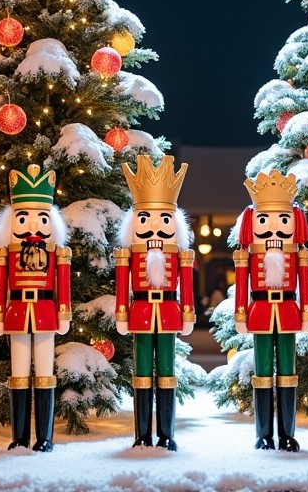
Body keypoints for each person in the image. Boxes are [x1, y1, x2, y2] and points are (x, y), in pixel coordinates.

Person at [115, 155, 195, 450]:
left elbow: (186, 285)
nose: (155, 226)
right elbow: (122, 285)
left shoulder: (179, 254)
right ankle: (141, 434)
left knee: (167, 374)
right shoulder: (129, 254)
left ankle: (166, 433)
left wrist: (188, 314)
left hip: (170, 311)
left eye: (163, 219)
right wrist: (122, 314)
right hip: (140, 311)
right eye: (146, 218)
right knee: (141, 374)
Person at [0, 163, 72, 451]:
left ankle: (45, 437)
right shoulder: (7, 251)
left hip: (46, 312)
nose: (34, 225)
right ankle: (20, 437)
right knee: (19, 373)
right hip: (16, 313)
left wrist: (64, 312)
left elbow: (63, 284)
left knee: (46, 373)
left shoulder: (57, 252)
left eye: (41, 218)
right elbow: (0, 283)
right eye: (24, 218)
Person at [233, 169, 308, 451]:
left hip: (290, 311)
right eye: (265, 220)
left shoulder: (297, 253)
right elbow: (241, 283)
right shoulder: (249, 253)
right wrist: (240, 313)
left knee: (288, 373)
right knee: (263, 374)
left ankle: (287, 434)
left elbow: (305, 284)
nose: (274, 228)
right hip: (260, 312)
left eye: (283, 220)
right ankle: (264, 434)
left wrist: (307, 313)